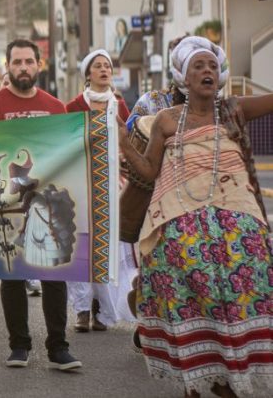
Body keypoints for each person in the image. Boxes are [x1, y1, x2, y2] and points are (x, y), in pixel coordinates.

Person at [120, 36, 273, 398]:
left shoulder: (234, 109)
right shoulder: (166, 120)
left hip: (235, 221)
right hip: (179, 225)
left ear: (219, 77)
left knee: (245, 287)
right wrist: (124, 144)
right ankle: (198, 380)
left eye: (212, 66)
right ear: (183, 79)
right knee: (190, 294)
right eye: (198, 66)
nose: (207, 70)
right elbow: (149, 169)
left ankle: (225, 377)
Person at [0, 39, 81, 372]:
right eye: (17, 61)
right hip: (6, 205)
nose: (23, 67)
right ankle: (19, 346)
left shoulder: (55, 106)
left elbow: (67, 154)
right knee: (12, 276)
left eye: (28, 61)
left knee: (53, 274)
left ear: (39, 65)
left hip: (47, 203)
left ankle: (58, 347)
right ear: (7, 66)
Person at [65, 50, 137, 332]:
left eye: (107, 65)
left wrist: (124, 158)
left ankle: (103, 309)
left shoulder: (119, 105)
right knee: (81, 244)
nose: (104, 70)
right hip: (79, 184)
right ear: (88, 73)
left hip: (112, 186)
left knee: (107, 246)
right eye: (98, 66)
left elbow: (129, 140)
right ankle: (82, 309)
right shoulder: (72, 106)